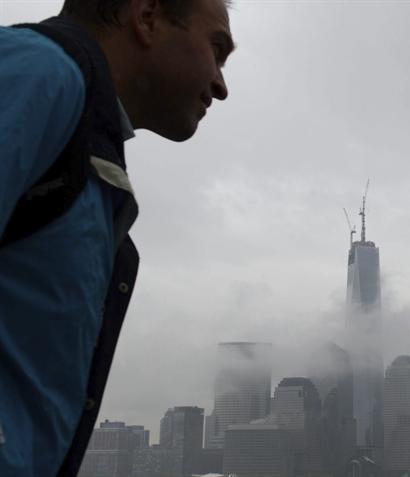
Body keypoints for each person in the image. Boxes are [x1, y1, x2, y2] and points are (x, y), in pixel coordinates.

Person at [0, 1, 234, 474]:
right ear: (147, 19)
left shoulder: (83, 139)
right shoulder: (40, 71)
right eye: (216, 49)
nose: (221, 85)